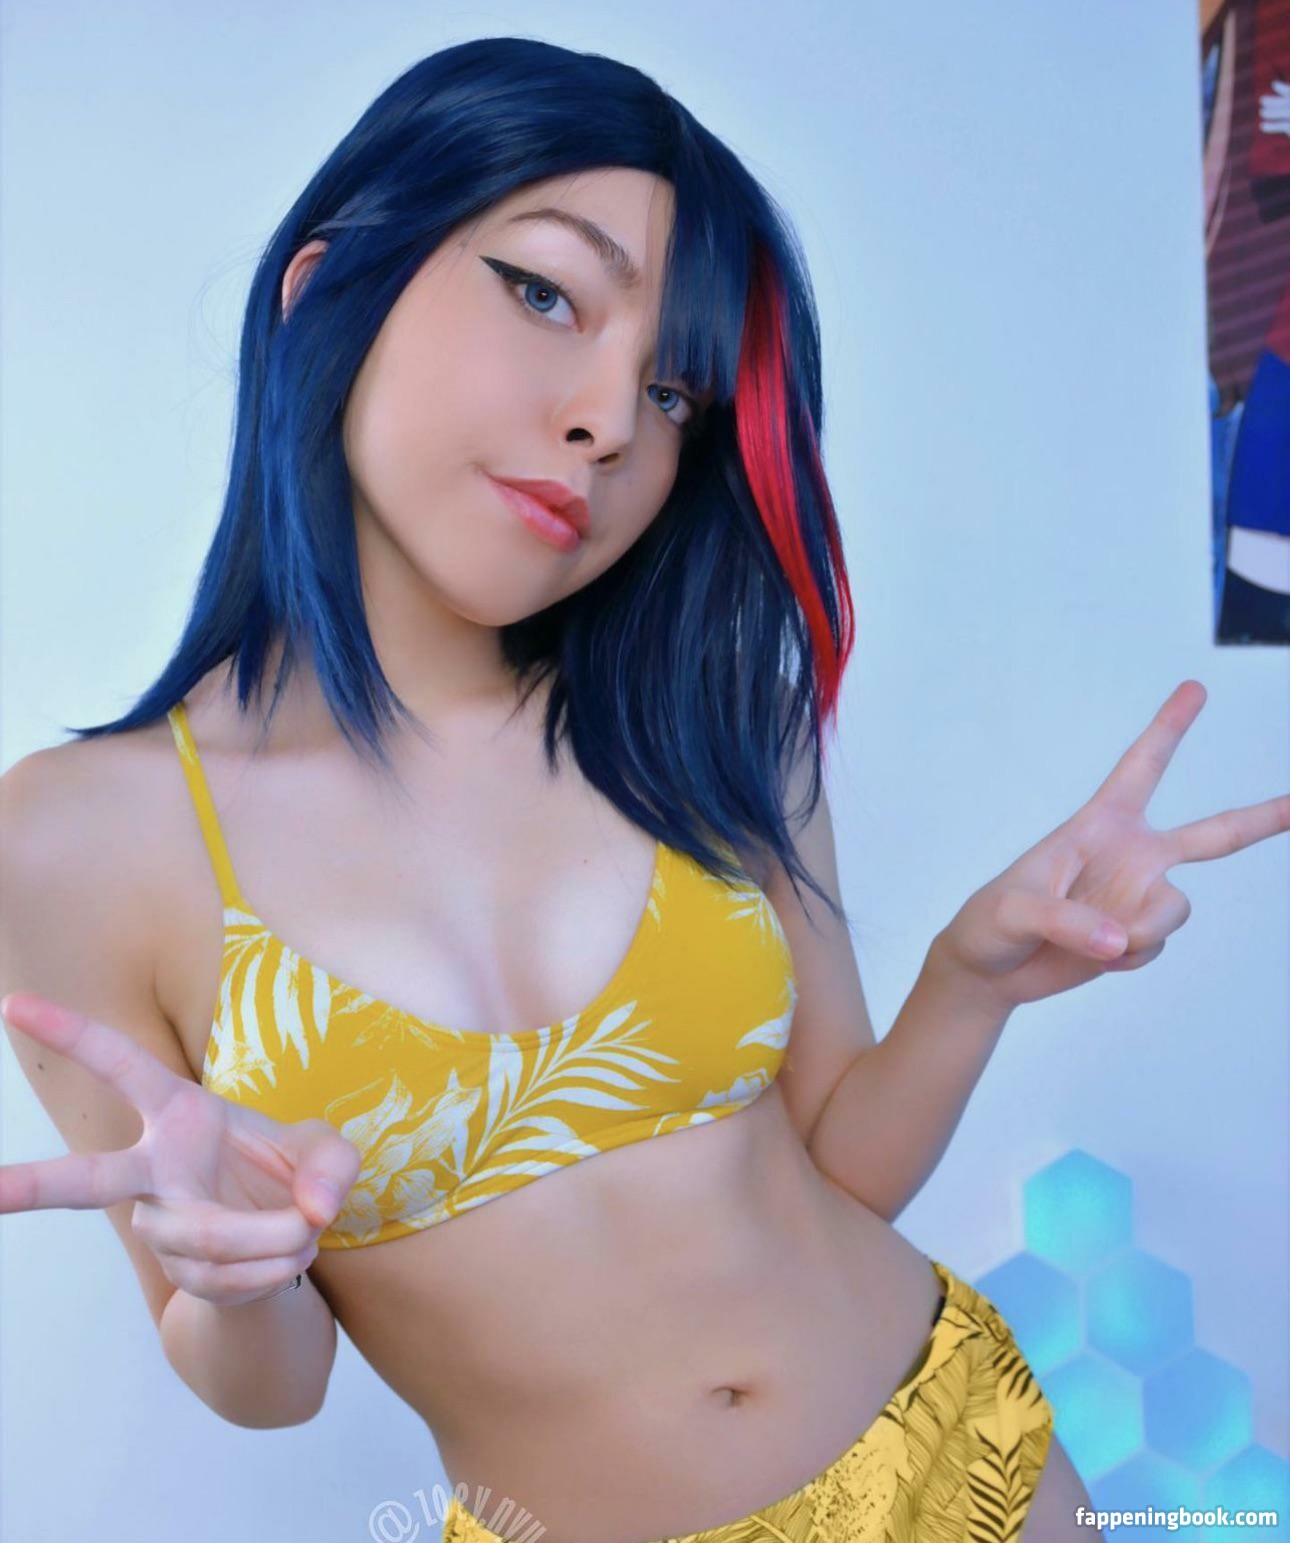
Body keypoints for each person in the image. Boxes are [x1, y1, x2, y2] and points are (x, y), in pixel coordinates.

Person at [4, 36, 1285, 1543]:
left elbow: (837, 1178)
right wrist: (236, 1273)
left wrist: (970, 981)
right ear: (322, 288)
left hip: (964, 1453)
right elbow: (268, 1391)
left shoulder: (694, 715)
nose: (610, 421)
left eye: (673, 390)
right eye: (547, 293)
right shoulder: (79, 840)